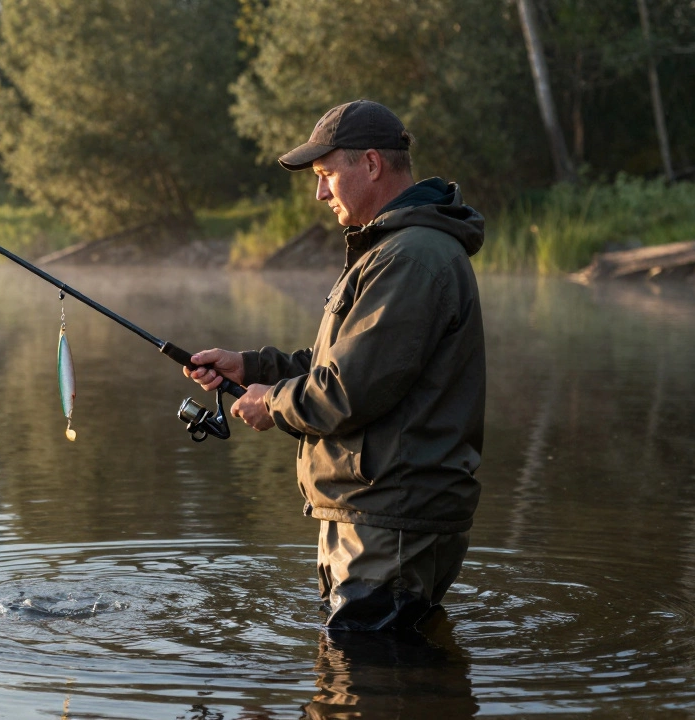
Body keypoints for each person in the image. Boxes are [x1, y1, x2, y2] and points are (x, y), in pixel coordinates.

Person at [187, 100, 486, 631]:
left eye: (326, 175)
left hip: (389, 519)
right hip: (379, 515)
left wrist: (270, 405)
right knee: (371, 682)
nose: (319, 193)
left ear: (371, 164)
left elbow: (347, 389)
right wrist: (251, 367)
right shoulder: (396, 249)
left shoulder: (410, 257)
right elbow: (342, 363)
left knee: (368, 690)